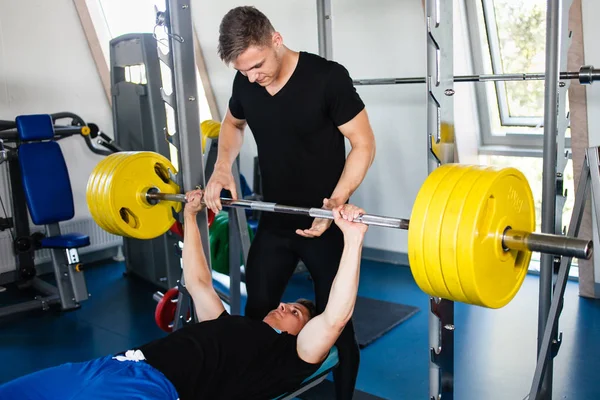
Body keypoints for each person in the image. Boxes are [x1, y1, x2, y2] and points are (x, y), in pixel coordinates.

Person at [0, 190, 369, 400]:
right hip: (110, 365)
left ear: (302, 333)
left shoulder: (289, 357)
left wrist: (352, 239)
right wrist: (190, 217)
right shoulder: (228, 325)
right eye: (288, 303)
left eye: (297, 313)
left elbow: (335, 317)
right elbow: (197, 281)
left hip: (152, 389)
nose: (285, 305)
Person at [204, 6, 376, 399]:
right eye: (243, 71)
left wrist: (336, 200)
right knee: (253, 319)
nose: (252, 78)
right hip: (276, 220)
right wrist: (222, 167)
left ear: (276, 39)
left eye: (257, 66)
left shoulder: (327, 78)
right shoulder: (246, 81)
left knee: (339, 328)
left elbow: (364, 143)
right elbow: (232, 123)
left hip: (323, 222)